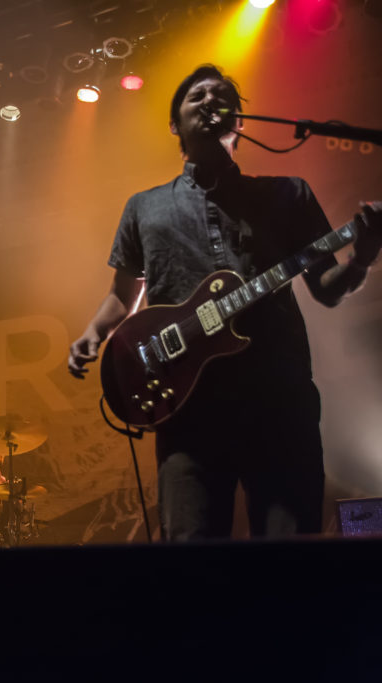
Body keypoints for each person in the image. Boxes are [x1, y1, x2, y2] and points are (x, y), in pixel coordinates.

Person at [68, 64, 381, 541]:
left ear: (240, 121)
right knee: (191, 551)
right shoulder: (144, 207)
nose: (210, 101)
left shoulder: (287, 193)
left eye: (223, 97)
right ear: (174, 124)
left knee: (292, 550)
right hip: (188, 407)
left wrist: (361, 257)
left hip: (278, 399)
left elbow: (326, 287)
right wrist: (93, 334)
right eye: (196, 96)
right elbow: (122, 294)